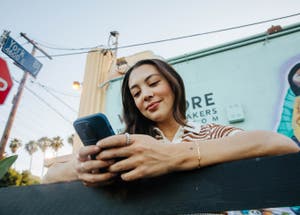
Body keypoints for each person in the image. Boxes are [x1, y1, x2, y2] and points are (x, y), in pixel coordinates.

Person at [76, 58, 300, 187]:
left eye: (153, 83)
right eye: (136, 93)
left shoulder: (211, 133)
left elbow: (280, 144)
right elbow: (51, 176)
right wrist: (83, 168)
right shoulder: (129, 145)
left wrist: (172, 156)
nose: (145, 94)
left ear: (174, 85)